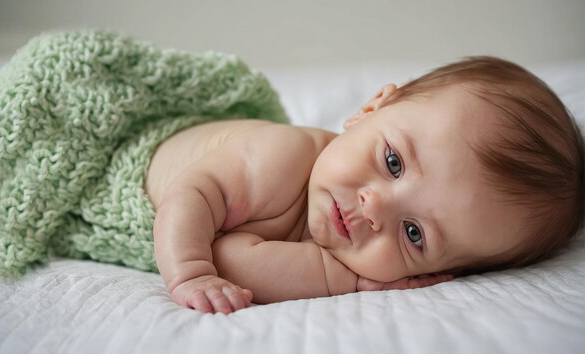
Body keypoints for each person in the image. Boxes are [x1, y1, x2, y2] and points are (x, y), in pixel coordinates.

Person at [144, 56, 584, 314]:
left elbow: (235, 256)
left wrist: (349, 280)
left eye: (414, 234)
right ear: (370, 110)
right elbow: (192, 205)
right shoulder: (279, 156)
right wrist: (191, 275)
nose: (375, 210)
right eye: (393, 162)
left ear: (434, 274)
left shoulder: (342, 247)